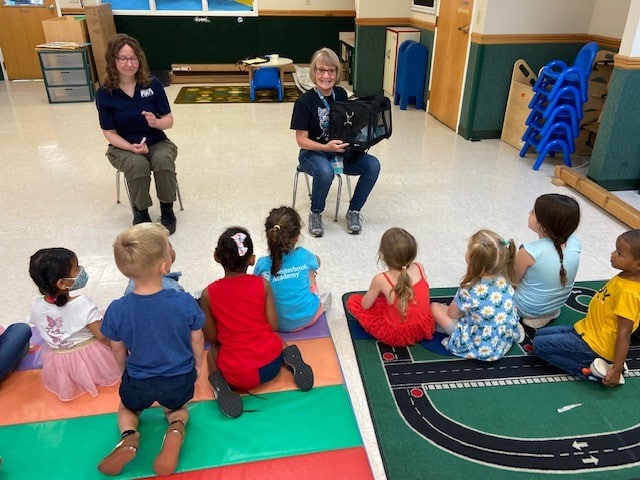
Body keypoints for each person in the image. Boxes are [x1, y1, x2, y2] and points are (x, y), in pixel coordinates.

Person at [98, 223, 205, 476]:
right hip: (178, 379)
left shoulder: (117, 308)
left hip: (139, 380)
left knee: (127, 408)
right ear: (164, 266)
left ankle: (129, 436)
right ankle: (176, 427)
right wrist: (199, 365)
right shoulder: (183, 300)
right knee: (177, 408)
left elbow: (117, 348)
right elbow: (197, 337)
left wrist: (125, 371)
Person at [200, 227, 314, 419]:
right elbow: (273, 326)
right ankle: (290, 358)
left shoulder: (208, 294)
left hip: (238, 377)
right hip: (272, 364)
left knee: (212, 352)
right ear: (251, 259)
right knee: (273, 337)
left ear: (216, 257)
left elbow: (211, 337)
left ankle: (221, 387)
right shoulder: (261, 284)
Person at [290, 47, 380, 237]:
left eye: (331, 71)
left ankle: (354, 211)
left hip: (340, 151)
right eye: (321, 70)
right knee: (325, 171)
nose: (326, 76)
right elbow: (301, 140)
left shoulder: (340, 94)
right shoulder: (304, 102)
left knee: (373, 165)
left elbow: (348, 125)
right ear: (314, 72)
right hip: (312, 153)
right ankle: (316, 213)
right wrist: (325, 147)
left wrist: (361, 137)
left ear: (337, 73)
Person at [533, 230, 640, 387]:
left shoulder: (629, 293)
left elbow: (624, 334)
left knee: (539, 346)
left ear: (638, 265)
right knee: (540, 334)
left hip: (594, 346)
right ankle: (609, 363)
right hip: (586, 331)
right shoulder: (626, 276)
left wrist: (616, 369)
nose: (613, 254)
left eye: (619, 253)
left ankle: (590, 371)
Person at [96, 33, 179, 234]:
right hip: (122, 146)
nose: (129, 63)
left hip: (157, 141)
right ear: (112, 61)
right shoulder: (105, 93)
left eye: (133, 58)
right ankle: (141, 212)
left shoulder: (152, 84)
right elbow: (109, 132)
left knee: (162, 161)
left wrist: (156, 122)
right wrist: (130, 147)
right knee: (137, 164)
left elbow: (169, 121)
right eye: (123, 58)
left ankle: (167, 209)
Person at [27, 248, 120, 401]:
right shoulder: (82, 303)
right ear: (62, 283)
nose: (81, 271)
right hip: (92, 360)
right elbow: (102, 336)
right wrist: (120, 350)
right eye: (77, 268)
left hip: (59, 363)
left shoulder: (36, 306)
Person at [431, 229, 520, 361]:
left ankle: (456, 338)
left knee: (434, 307)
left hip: (479, 343)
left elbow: (452, 314)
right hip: (503, 340)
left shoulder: (469, 288)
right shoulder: (505, 279)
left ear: (472, 259)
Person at [346, 228, 435, 347]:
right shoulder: (419, 267)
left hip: (396, 335)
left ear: (382, 255)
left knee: (353, 301)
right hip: (423, 327)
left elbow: (364, 305)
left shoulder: (381, 279)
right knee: (393, 298)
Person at [514, 194, 581, 332]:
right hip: (556, 304)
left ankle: (515, 317)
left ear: (543, 226)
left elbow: (512, 281)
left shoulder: (528, 252)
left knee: (491, 281)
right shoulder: (575, 243)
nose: (529, 213)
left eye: (533, 212)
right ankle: (547, 314)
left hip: (525, 307)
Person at [253, 206, 323, 332]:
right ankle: (319, 303)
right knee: (310, 270)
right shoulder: (304, 255)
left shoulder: (262, 264)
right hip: (309, 318)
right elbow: (317, 262)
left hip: (275, 323)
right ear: (296, 237)